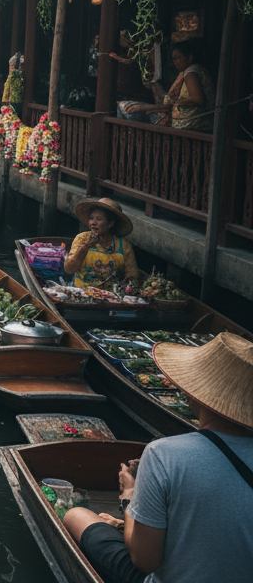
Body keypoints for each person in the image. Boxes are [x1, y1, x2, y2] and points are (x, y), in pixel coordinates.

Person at [64, 332, 253, 583]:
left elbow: (144, 560)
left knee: (75, 516)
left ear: (197, 393)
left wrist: (129, 496)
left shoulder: (164, 454)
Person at [126, 40, 214, 131]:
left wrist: (179, 103)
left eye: (177, 58)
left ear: (190, 58)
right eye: (173, 59)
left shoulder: (191, 72)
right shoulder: (189, 72)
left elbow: (197, 99)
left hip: (195, 123)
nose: (175, 62)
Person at [64, 197, 139, 290]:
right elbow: (69, 269)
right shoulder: (82, 238)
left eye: (99, 219)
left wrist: (127, 286)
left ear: (110, 224)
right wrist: (86, 246)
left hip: (111, 295)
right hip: (81, 292)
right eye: (91, 218)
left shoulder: (124, 245)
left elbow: (132, 275)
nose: (93, 223)